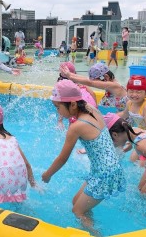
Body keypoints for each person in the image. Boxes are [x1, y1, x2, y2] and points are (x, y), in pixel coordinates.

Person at [42, 80, 125, 234]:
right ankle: (90, 226)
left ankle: (96, 234)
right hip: (106, 168)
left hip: (104, 174)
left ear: (73, 105)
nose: (58, 112)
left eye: (58, 107)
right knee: (77, 203)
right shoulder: (90, 108)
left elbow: (62, 158)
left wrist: (48, 174)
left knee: (77, 212)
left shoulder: (77, 127)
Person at [60, 63, 127, 113]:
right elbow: (87, 79)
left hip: (122, 122)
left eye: (96, 80)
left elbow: (91, 83)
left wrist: (70, 77)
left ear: (106, 77)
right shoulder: (110, 83)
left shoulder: (115, 86)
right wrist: (69, 74)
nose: (96, 83)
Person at [57, 61, 97, 130]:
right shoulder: (81, 83)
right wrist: (96, 107)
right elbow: (93, 94)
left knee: (73, 126)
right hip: (92, 109)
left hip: (79, 112)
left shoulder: (64, 86)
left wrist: (60, 121)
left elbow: (61, 104)